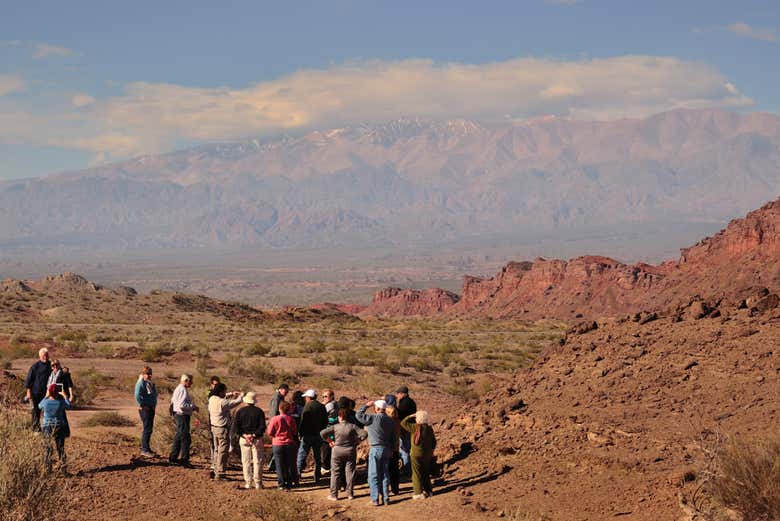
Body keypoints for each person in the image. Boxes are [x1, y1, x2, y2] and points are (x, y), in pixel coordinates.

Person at [320, 405, 367, 501]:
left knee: (335, 473)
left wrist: (329, 441)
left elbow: (322, 433)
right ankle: (350, 494)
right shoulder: (352, 426)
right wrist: (358, 441)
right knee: (350, 472)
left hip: (337, 450)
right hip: (350, 450)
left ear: (339, 417)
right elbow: (364, 434)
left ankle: (334, 495)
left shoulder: (335, 427)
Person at [356, 399, 396, 506]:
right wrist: (392, 449)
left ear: (377, 409)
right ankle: (386, 498)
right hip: (387, 449)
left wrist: (366, 405)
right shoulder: (390, 421)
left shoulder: (372, 418)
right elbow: (393, 437)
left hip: (375, 449)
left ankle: (375, 499)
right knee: (384, 474)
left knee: (373, 475)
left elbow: (358, 415)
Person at [208, 382, 244, 479]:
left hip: (214, 428)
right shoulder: (222, 402)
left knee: (216, 449)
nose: (225, 393)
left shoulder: (212, 399)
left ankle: (215, 468)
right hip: (222, 429)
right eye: (224, 391)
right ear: (220, 392)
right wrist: (241, 396)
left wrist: (231, 394)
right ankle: (220, 473)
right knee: (223, 451)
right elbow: (234, 403)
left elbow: (221, 397)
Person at [401, 410, 437, 499]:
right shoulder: (429, 428)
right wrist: (431, 450)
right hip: (427, 454)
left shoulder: (414, 427)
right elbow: (434, 441)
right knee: (425, 472)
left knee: (416, 473)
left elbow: (403, 423)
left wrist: (410, 416)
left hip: (416, 454)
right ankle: (429, 491)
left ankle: (418, 493)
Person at [234, 391, 266, 489]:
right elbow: (262, 427)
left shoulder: (240, 411)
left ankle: (248, 482)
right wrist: (253, 435)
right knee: (258, 461)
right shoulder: (259, 411)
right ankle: (258, 483)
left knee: (246, 461)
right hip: (256, 439)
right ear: (254, 401)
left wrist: (245, 435)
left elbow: (236, 427)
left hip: (244, 439)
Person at [296, 389, 328, 484]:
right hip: (318, 435)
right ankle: (317, 476)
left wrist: (300, 433)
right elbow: (325, 421)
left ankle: (297, 475)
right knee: (317, 456)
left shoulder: (307, 407)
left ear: (309, 397)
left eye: (306, 397)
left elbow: (303, 422)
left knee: (302, 455)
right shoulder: (322, 406)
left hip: (307, 435)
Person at [38, 383, 71, 472]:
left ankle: (48, 469)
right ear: (58, 392)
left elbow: (39, 406)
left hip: (47, 427)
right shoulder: (61, 402)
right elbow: (68, 406)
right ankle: (63, 468)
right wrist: (65, 396)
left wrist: (46, 396)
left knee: (47, 448)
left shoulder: (45, 402)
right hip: (59, 426)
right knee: (60, 448)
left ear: (49, 392)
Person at [267, 400, 298, 490]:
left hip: (277, 444)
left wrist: (275, 436)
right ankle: (289, 482)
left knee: (279, 464)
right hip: (289, 443)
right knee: (288, 463)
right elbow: (294, 432)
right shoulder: (291, 419)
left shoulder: (275, 419)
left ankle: (281, 484)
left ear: (279, 408)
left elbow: (269, 432)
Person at [169, 374, 198, 467]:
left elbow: (173, 402)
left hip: (179, 415)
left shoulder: (180, 388)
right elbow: (182, 405)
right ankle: (184, 460)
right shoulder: (182, 390)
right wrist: (193, 407)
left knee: (179, 436)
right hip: (182, 416)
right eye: (190, 381)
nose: (192, 383)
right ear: (186, 380)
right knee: (185, 438)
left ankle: (173, 457)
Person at [25, 347, 52, 431]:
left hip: (48, 393)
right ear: (40, 356)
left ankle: (47, 428)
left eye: (47, 355)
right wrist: (28, 392)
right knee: (35, 411)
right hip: (36, 392)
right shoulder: (35, 366)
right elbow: (29, 380)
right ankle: (35, 428)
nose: (45, 357)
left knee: (47, 411)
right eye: (44, 355)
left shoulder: (51, 365)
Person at [134, 366, 158, 457]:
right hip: (145, 408)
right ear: (143, 374)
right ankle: (144, 450)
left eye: (150, 374)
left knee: (149, 429)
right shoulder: (141, 383)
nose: (149, 375)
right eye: (147, 374)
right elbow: (137, 395)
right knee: (147, 429)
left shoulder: (149, 383)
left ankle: (146, 448)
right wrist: (142, 404)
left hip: (150, 408)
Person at [267, 383, 289, 472]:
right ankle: (272, 465)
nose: (287, 393)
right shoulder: (277, 398)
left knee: (277, 445)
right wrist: (274, 425)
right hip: (277, 425)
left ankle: (273, 465)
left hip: (277, 424)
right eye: (285, 390)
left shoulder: (279, 397)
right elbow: (273, 413)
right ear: (280, 389)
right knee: (277, 445)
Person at [395, 385, 417, 474]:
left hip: (405, 428)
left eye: (398, 394)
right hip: (410, 427)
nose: (397, 396)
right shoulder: (411, 401)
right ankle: (406, 468)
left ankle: (406, 469)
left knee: (404, 449)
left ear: (402, 394)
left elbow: (400, 415)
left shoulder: (405, 403)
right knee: (405, 448)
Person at [384, 404, 401, 495]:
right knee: (394, 470)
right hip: (396, 449)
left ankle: (385, 489)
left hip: (387, 449)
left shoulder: (387, 422)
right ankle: (395, 489)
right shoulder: (398, 421)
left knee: (385, 470)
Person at [207, 376, 221, 466]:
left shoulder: (219, 394)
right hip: (212, 421)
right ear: (211, 384)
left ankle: (218, 462)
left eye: (217, 385)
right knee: (213, 443)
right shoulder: (210, 393)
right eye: (214, 384)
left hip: (219, 421)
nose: (216, 386)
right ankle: (213, 463)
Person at [321, 389, 336, 472]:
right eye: (323, 396)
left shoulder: (329, 405)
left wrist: (322, 405)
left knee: (326, 447)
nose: (324, 398)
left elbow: (322, 413)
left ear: (332, 397)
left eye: (326, 396)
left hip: (329, 429)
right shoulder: (333, 404)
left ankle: (326, 467)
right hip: (332, 429)